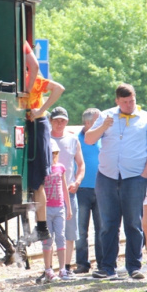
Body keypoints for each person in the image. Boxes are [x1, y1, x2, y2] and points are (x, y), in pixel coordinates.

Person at [84, 83, 147, 279]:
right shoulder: (106, 115)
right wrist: (103, 126)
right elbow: (89, 140)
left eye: (132, 101)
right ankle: (107, 267)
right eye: (125, 102)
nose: (129, 105)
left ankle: (134, 266)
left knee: (133, 222)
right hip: (107, 176)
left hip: (135, 177)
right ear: (117, 101)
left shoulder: (146, 119)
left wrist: (145, 174)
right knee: (108, 223)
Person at [23, 41, 65, 241]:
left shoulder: (34, 79)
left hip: (38, 125)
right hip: (27, 125)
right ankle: (37, 227)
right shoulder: (21, 79)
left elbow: (59, 88)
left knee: (38, 180)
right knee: (32, 180)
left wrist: (40, 111)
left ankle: (41, 227)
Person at [50, 107, 84, 277]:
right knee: (50, 231)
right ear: (50, 121)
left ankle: (67, 267)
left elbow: (81, 165)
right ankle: (49, 267)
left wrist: (77, 182)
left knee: (70, 231)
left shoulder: (72, 139)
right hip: (49, 193)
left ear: (67, 121)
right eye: (56, 119)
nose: (59, 123)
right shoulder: (46, 139)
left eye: (62, 120)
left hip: (69, 192)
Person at [37, 143, 73, 283]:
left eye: (55, 154)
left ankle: (62, 268)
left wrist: (68, 207)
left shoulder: (60, 168)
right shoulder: (43, 170)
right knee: (47, 239)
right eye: (50, 153)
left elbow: (64, 188)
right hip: (46, 209)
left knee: (60, 236)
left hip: (59, 208)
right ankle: (48, 269)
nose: (53, 156)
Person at [75, 108, 102, 274]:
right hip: (82, 189)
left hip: (102, 189)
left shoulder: (103, 138)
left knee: (102, 229)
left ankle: (102, 263)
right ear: (87, 123)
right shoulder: (76, 139)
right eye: (97, 122)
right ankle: (82, 264)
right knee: (81, 230)